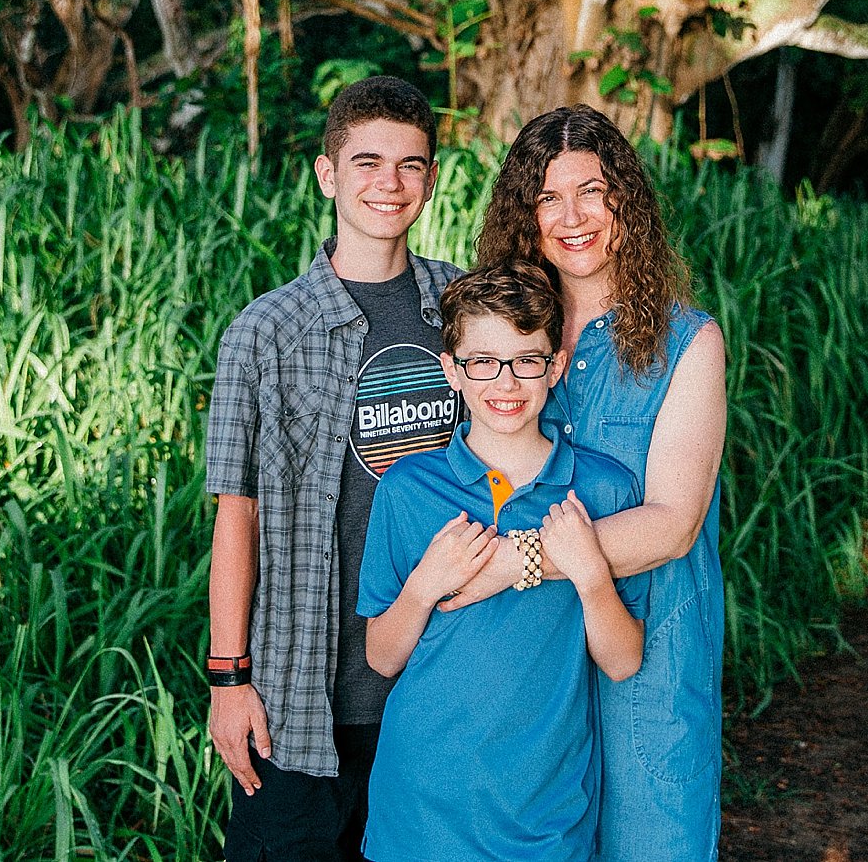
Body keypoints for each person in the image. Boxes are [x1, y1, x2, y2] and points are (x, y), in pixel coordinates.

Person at [452, 106, 729, 862]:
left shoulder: (687, 341)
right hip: (529, 666)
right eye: (547, 197)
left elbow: (672, 522)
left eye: (592, 191)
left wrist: (510, 561)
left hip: (650, 665)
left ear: (624, 204)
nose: (571, 216)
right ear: (524, 215)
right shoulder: (506, 339)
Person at [204, 76, 463, 862]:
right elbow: (235, 514)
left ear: (430, 178)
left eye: (411, 165)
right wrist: (227, 679)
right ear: (328, 174)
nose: (390, 183)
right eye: (368, 161)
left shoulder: (460, 304)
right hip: (300, 692)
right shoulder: (265, 330)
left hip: (437, 687)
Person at [355, 264, 645, 862]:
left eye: (526, 359)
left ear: (555, 367)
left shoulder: (602, 489)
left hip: (544, 817)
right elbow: (381, 657)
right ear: (452, 370)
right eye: (482, 361)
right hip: (419, 812)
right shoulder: (409, 488)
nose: (505, 381)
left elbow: (622, 661)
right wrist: (424, 585)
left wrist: (590, 572)